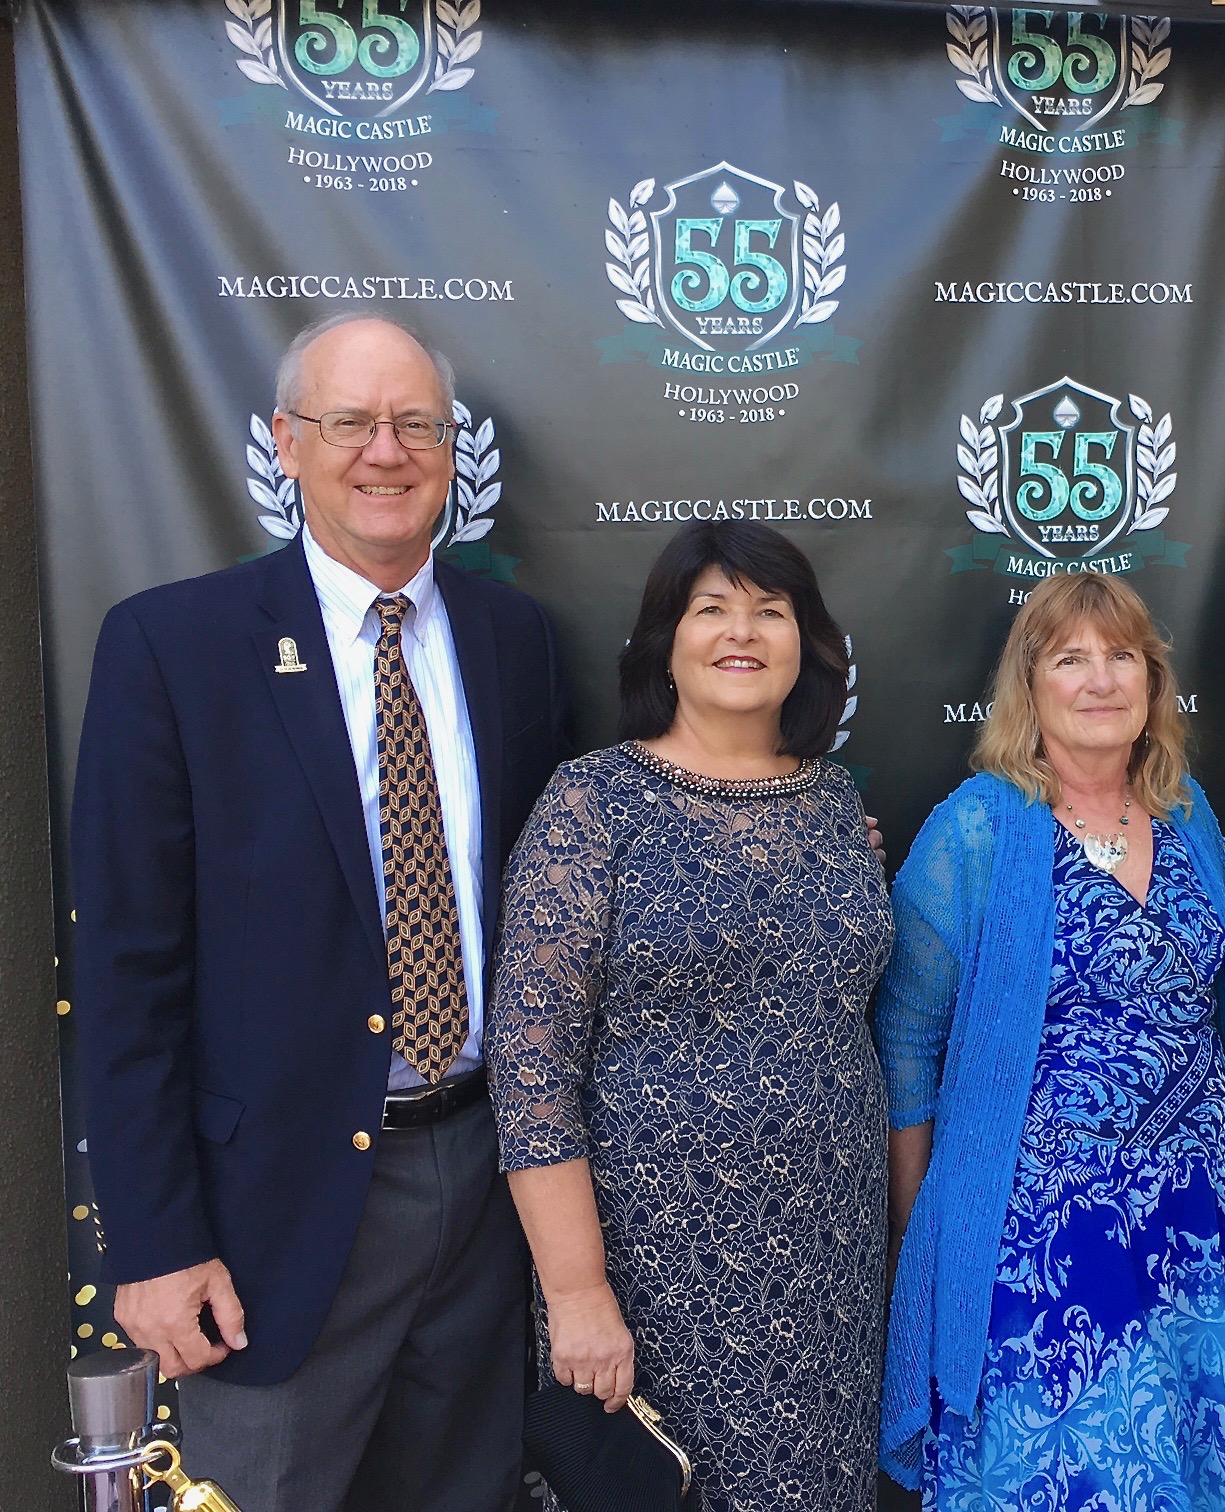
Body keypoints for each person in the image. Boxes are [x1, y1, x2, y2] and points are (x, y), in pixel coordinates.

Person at [70, 312, 571, 1510]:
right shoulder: (173, 646)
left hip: (484, 1179)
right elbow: (126, 972)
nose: (385, 452)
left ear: (451, 451)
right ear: (288, 444)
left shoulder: (514, 643)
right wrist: (149, 1242)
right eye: (350, 423)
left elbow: (568, 893)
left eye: (415, 425)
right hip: (267, 1224)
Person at [486, 519, 892, 1512]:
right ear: (665, 642)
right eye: (710, 609)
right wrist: (579, 1297)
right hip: (650, 1278)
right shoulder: (593, 805)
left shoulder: (838, 804)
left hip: (828, 1276)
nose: (740, 632)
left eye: (769, 611)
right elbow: (531, 1067)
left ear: (808, 646)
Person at [877, 573, 1225, 1510]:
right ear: (1029, 683)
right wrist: (927, 1227)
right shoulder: (976, 829)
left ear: (1154, 683)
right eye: (1070, 658)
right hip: (1038, 1245)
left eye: (1122, 656)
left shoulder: (1190, 814)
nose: (1099, 680)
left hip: (1192, 1235)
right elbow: (907, 1039)